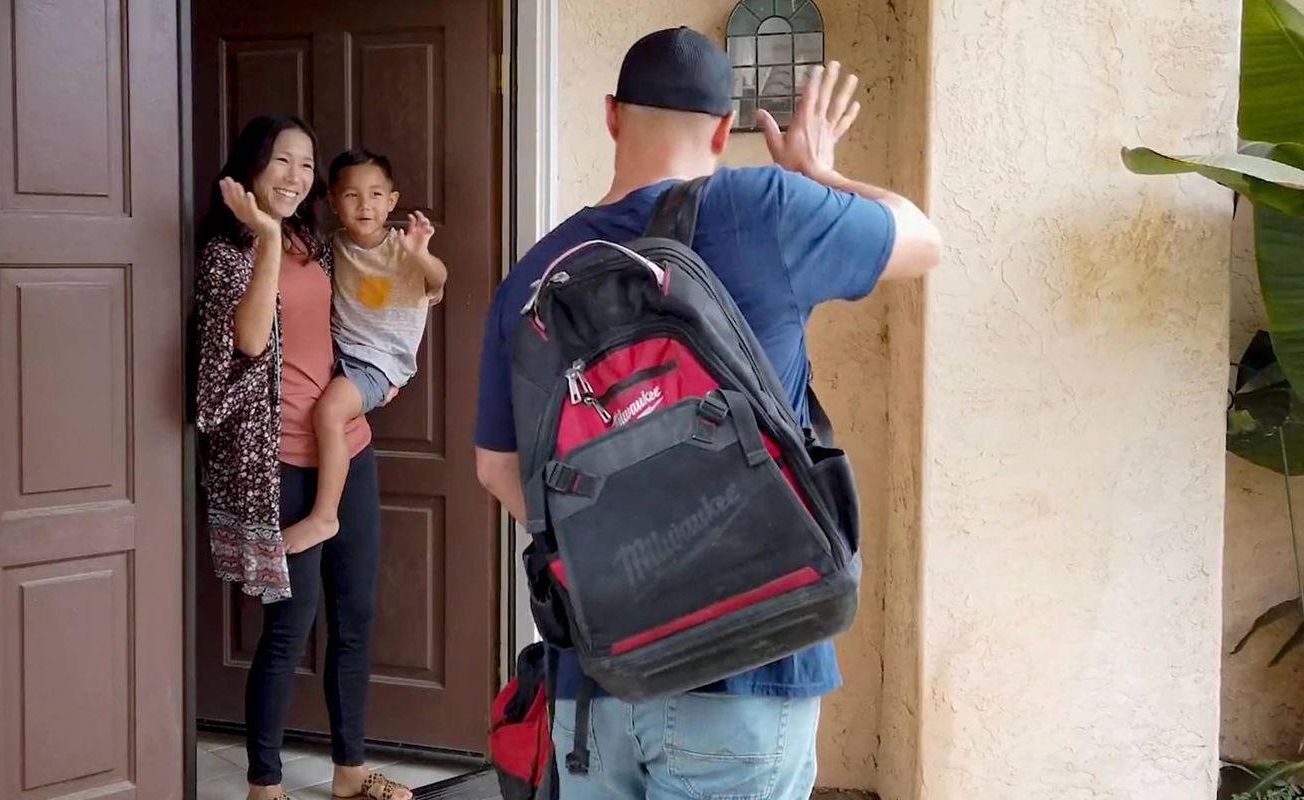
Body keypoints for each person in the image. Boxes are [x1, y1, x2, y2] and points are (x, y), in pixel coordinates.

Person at [472, 28, 942, 799]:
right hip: (755, 671)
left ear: (611, 116)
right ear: (725, 131)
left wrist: (629, 558)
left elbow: (495, 468)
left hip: (600, 677)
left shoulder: (536, 274)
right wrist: (820, 172)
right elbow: (924, 239)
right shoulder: (769, 209)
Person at [191, 115, 412, 800]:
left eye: (306, 164)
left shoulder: (316, 244)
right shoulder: (229, 254)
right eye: (282, 162)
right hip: (280, 460)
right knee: (290, 626)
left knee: (356, 617)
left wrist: (391, 361)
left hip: (349, 452)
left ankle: (349, 772)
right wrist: (261, 239)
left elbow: (372, 305)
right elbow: (252, 341)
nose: (295, 177)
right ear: (253, 169)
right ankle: (265, 784)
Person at [285, 149, 448, 553]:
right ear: (335, 204)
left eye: (376, 195)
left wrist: (422, 255)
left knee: (329, 412)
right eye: (352, 196)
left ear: (391, 201)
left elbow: (439, 282)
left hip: (377, 361)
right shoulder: (333, 247)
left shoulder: (402, 249)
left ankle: (324, 517)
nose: (365, 205)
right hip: (339, 350)